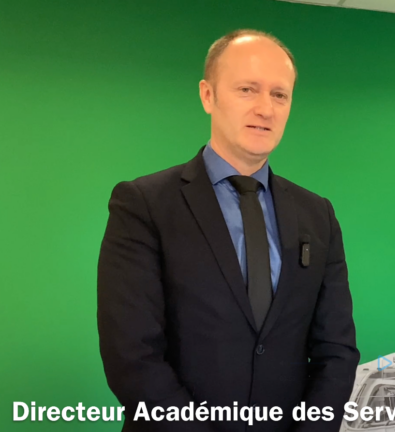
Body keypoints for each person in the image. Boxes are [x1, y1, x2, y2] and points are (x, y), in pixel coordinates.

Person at [97, 29, 360, 432]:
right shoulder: (144, 204)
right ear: (208, 96)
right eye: (247, 89)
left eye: (279, 94)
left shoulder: (317, 214)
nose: (265, 108)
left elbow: (336, 350)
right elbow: (132, 355)